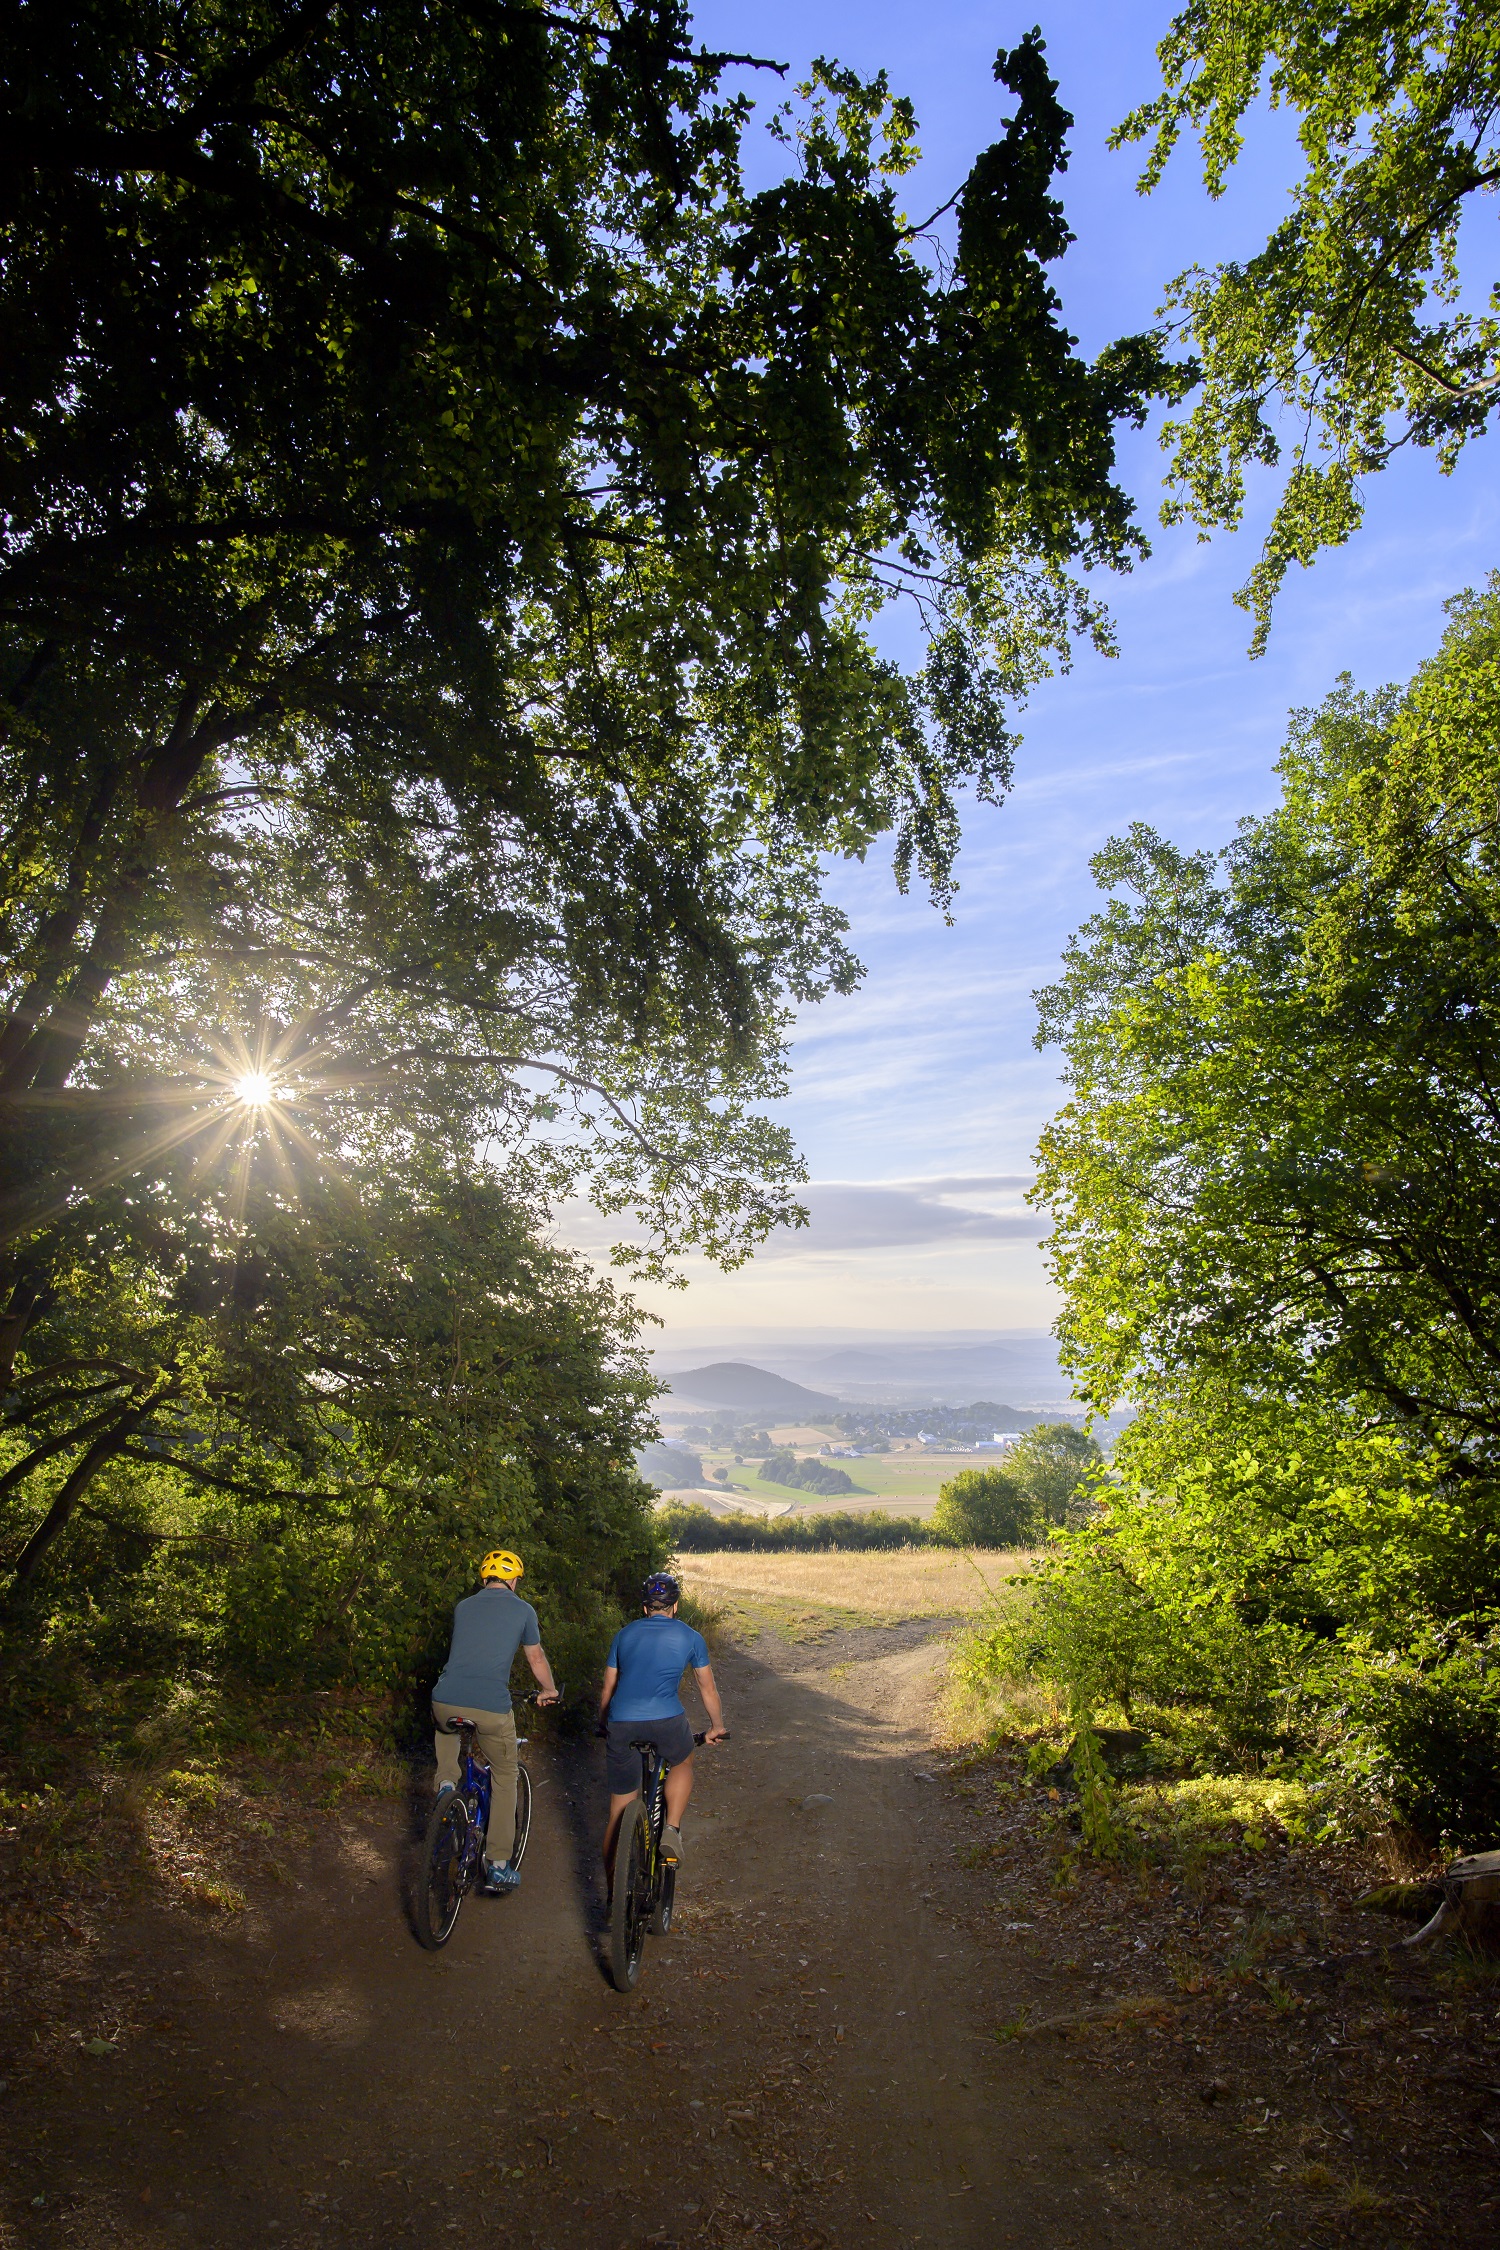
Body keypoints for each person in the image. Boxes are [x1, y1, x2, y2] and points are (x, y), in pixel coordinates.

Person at [432, 1548, 559, 1894]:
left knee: (446, 1727)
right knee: (505, 1773)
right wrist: (548, 1689)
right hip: (490, 1707)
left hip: (444, 1699)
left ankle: (446, 1785)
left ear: (483, 1578)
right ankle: (498, 1864)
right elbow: (535, 1658)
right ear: (514, 1580)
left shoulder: (463, 1606)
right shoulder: (523, 1610)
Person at [599, 1571, 726, 1874]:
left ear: (645, 1608)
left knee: (618, 1812)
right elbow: (707, 1687)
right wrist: (716, 1726)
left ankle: (613, 1899)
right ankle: (671, 1828)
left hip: (622, 1722)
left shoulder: (624, 1634)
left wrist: (603, 1724)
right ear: (675, 1606)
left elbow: (608, 1688)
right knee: (682, 1761)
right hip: (667, 1721)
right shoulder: (690, 1636)